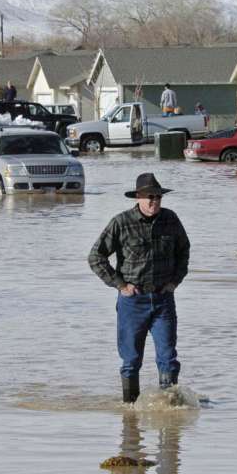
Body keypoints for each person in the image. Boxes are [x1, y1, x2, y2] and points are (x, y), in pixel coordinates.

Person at [89, 173, 191, 404]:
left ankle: (169, 417)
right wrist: (120, 284)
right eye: (150, 197)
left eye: (158, 197)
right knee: (131, 360)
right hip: (133, 302)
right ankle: (130, 413)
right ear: (138, 197)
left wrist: (175, 281)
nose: (155, 201)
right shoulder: (121, 222)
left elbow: (184, 250)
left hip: (163, 300)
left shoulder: (171, 219)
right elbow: (96, 257)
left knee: (168, 357)